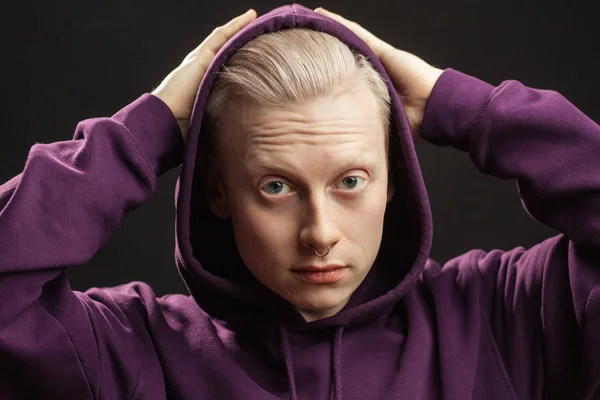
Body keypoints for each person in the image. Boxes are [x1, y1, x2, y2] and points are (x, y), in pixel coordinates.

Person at [0, 3, 598, 399]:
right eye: (277, 187)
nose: (320, 233)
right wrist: (144, 133)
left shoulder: (502, 317)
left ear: (395, 178)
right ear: (217, 191)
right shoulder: (131, 351)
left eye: (351, 181)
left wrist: (462, 106)